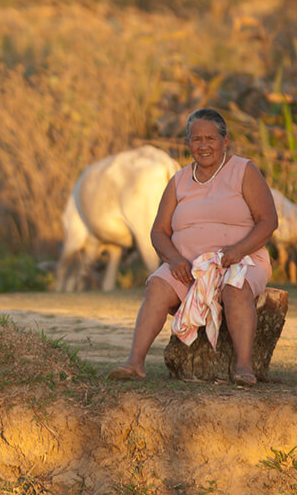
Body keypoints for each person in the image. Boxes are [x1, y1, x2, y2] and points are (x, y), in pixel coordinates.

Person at [108, 108, 278, 385]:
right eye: (196, 139)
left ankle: (245, 367)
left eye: (210, 139)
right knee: (157, 286)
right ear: (188, 143)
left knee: (236, 290)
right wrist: (174, 260)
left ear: (225, 141)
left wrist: (237, 250)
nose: (203, 146)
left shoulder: (244, 171)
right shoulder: (178, 181)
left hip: (240, 260)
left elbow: (268, 221)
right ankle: (134, 363)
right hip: (188, 266)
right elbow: (159, 231)